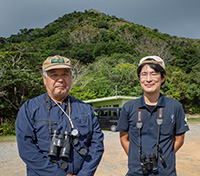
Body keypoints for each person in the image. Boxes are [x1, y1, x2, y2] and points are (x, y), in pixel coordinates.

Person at [15, 55, 104, 176]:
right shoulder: (29, 108)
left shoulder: (86, 109)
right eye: (54, 75)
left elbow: (97, 145)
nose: (60, 80)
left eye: (65, 74)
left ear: (71, 78)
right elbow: (27, 149)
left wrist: (85, 174)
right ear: (44, 79)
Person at [117, 56, 189, 176]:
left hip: (166, 172)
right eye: (144, 74)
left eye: (154, 74)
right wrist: (135, 157)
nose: (148, 79)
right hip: (136, 172)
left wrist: (165, 155)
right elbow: (124, 138)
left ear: (163, 77)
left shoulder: (175, 106)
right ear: (139, 78)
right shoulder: (128, 107)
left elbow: (179, 139)